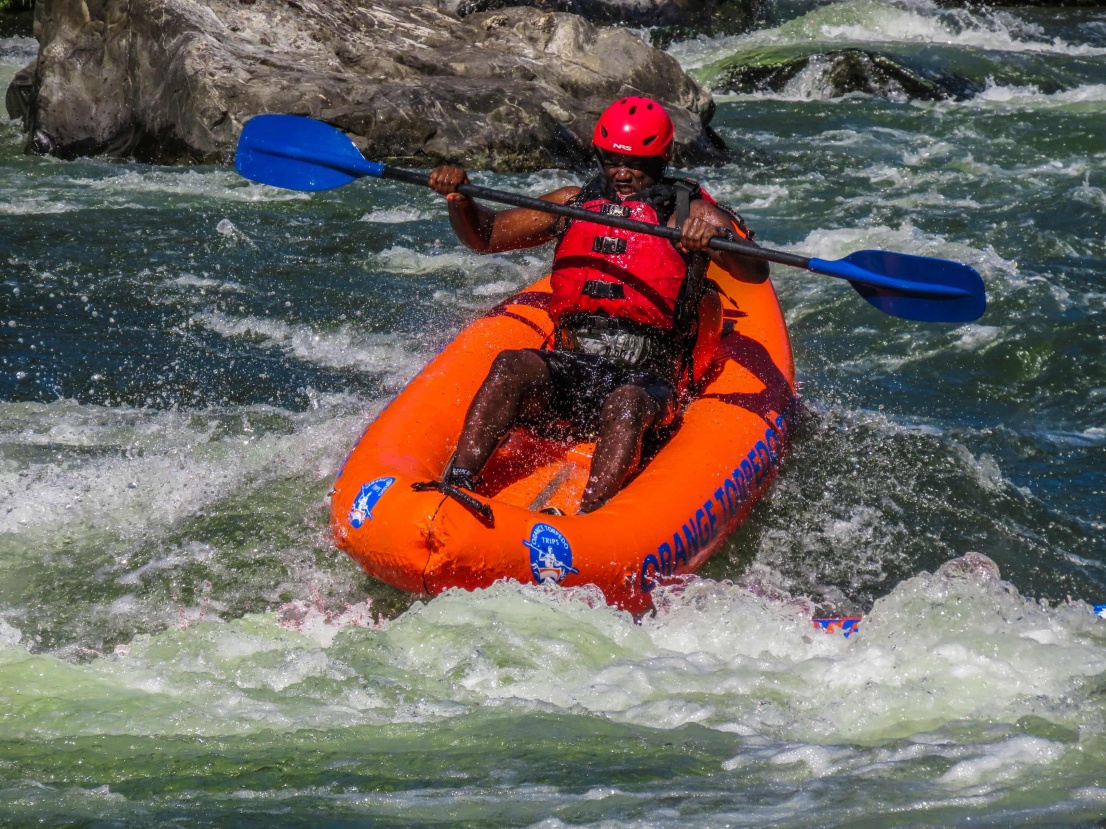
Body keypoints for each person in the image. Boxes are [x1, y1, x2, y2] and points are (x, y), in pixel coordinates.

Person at [428, 96, 769, 514]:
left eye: (635, 165)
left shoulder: (691, 214)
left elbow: (755, 272)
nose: (621, 174)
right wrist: (460, 201)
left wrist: (720, 242)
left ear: (660, 159)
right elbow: (487, 235)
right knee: (511, 364)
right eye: (611, 161)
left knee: (626, 403)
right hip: (573, 367)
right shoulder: (573, 203)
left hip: (647, 380)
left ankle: (590, 514)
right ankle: (458, 483)